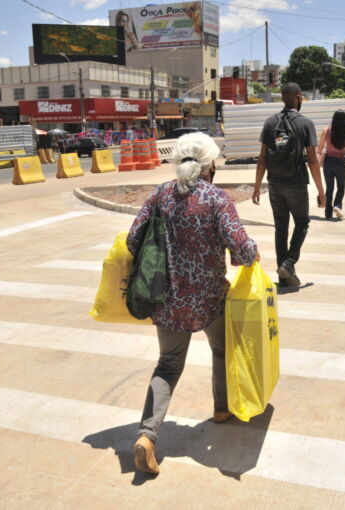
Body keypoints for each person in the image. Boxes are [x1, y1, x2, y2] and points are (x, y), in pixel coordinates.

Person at [127, 132, 259, 474]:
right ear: (209, 165)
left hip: (165, 300)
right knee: (222, 349)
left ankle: (147, 437)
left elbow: (132, 239)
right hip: (209, 298)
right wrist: (252, 250)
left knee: (168, 366)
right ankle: (221, 407)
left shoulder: (160, 194)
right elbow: (242, 250)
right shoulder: (217, 198)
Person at [252, 82, 326, 289]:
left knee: (281, 228)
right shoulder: (305, 123)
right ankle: (288, 262)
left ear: (283, 98)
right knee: (302, 223)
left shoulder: (270, 123)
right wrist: (321, 191)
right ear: (299, 97)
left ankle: (284, 277)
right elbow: (312, 160)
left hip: (274, 183)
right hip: (296, 183)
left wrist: (257, 186)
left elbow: (262, 158)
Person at [317, 110, 345, 220]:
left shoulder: (326, 131)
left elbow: (320, 148)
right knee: (341, 187)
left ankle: (328, 213)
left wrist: (317, 161)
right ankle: (337, 205)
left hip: (328, 161)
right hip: (340, 162)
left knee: (329, 188)